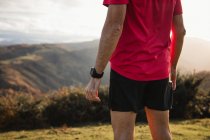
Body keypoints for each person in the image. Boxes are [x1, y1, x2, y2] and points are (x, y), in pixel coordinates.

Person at [85, 0, 186, 139]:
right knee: (163, 132)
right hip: (160, 70)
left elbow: (114, 27)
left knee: (123, 135)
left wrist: (96, 74)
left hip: (126, 70)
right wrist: (173, 66)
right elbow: (180, 31)